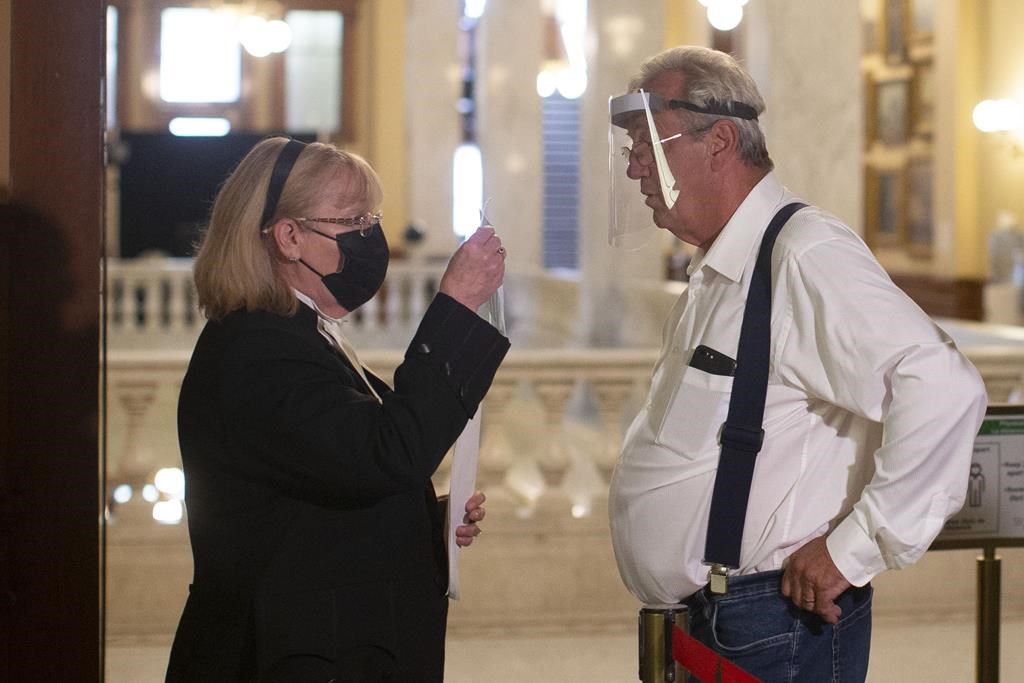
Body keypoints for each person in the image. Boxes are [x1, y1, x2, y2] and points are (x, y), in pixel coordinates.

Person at [607, 46, 987, 681]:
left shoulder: (804, 254)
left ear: (719, 141)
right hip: (720, 620)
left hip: (770, 622)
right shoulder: (724, 264)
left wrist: (855, 546)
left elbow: (942, 386)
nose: (634, 168)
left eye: (647, 145)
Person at [165, 137, 510, 682]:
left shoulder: (297, 334)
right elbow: (384, 453)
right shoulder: (257, 348)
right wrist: (457, 305)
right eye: (354, 221)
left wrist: (422, 520)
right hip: (286, 652)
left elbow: (328, 477)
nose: (373, 237)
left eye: (372, 218)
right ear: (289, 236)